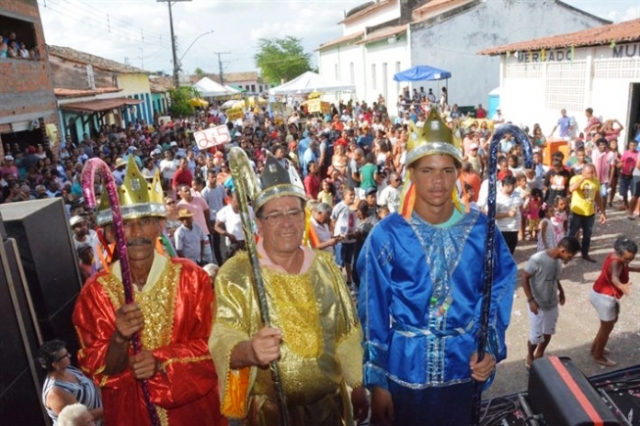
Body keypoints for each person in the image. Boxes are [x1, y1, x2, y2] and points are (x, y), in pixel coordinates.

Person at [357, 109, 517, 426]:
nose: (438, 180)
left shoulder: (481, 230)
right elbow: (371, 309)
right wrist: (377, 381)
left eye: (447, 170)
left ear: (459, 172)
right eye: (427, 170)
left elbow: (500, 283)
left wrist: (488, 345)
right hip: (404, 372)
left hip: (464, 366)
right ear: (411, 174)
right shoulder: (387, 235)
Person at [209, 154, 368, 425]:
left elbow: (347, 332)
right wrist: (249, 351)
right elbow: (222, 337)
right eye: (275, 215)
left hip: (329, 411)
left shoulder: (326, 267)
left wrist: (357, 385)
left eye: (294, 212)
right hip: (271, 416)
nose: (287, 222)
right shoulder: (236, 274)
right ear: (258, 223)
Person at [72, 158, 225, 426]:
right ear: (110, 233)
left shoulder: (192, 278)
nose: (135, 232)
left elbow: (216, 345)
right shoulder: (95, 294)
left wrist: (161, 361)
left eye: (144, 222)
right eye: (125, 224)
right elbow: (97, 369)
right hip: (131, 414)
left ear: (159, 225)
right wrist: (119, 339)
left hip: (193, 413)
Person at [522, 237, 580, 370]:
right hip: (537, 304)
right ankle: (530, 355)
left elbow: (555, 278)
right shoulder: (537, 259)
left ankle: (539, 353)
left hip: (552, 303)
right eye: (570, 256)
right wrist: (531, 300)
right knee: (535, 335)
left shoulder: (559, 262)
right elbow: (525, 277)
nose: (571, 259)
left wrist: (562, 292)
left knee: (548, 332)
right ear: (563, 250)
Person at [590, 236, 640, 367]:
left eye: (631, 258)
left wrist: (635, 268)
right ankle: (598, 356)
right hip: (605, 298)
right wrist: (622, 286)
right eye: (627, 258)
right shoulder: (616, 262)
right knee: (607, 328)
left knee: (606, 326)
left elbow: (624, 267)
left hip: (600, 294)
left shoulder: (616, 256)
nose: (628, 260)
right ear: (619, 253)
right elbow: (614, 277)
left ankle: (595, 348)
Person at [38, 339, 103, 426]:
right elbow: (81, 418)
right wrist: (110, 408)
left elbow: (93, 385)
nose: (69, 355)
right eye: (65, 355)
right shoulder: (56, 392)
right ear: (55, 364)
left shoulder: (70, 369)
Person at [568, 163, 606, 262]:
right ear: (583, 172)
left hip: (589, 213)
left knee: (587, 234)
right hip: (577, 212)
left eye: (592, 172)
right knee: (571, 233)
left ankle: (585, 253)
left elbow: (598, 197)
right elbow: (571, 189)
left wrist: (602, 212)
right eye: (588, 173)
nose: (591, 175)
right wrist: (583, 179)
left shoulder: (596, 181)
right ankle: (567, 253)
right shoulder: (576, 178)